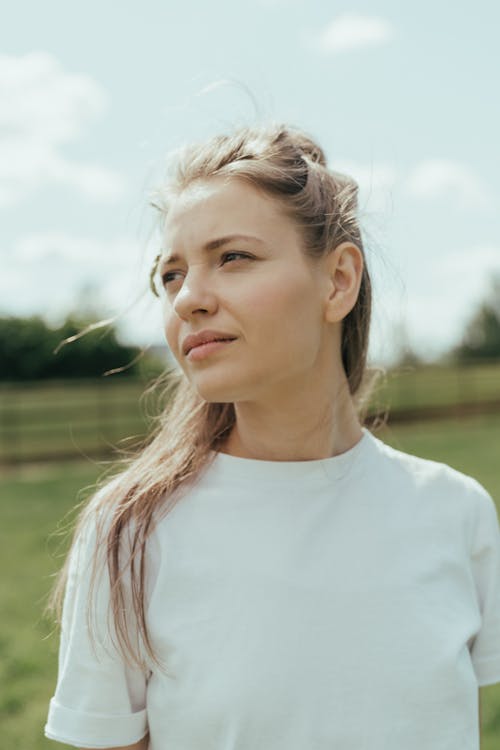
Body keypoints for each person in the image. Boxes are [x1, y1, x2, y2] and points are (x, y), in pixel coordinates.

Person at [44, 123, 500, 750]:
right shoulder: (127, 532)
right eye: (171, 275)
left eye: (232, 257)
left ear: (338, 281)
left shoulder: (459, 514)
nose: (188, 299)